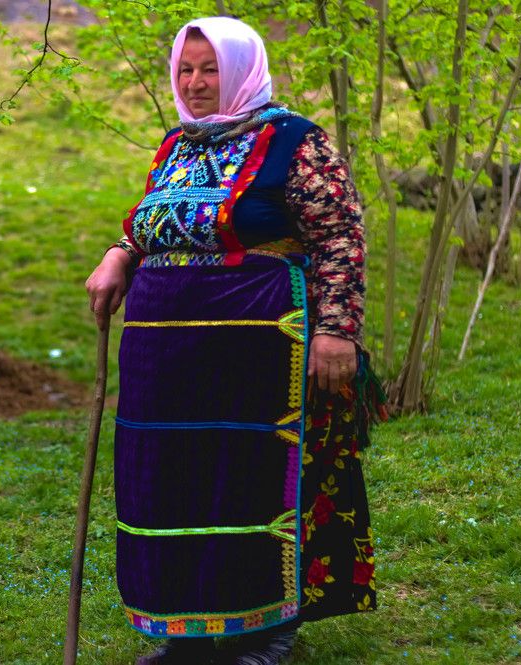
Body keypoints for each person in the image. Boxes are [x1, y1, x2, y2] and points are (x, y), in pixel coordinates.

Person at [85, 17, 386, 665]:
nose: (195, 83)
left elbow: (339, 233)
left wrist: (337, 331)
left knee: (243, 481)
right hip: (163, 362)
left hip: (254, 355)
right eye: (186, 70)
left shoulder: (295, 142)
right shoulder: (176, 146)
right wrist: (117, 254)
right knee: (169, 483)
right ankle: (181, 628)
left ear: (241, 68)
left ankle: (260, 628)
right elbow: (152, 227)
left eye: (209, 69)